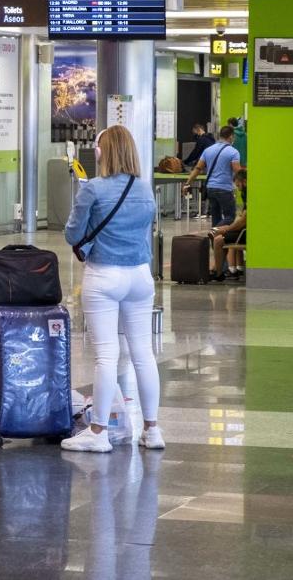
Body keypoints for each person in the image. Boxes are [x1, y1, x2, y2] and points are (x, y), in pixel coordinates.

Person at [61, 124, 164, 453]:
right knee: (143, 354)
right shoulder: (145, 189)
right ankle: (152, 429)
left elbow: (72, 234)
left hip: (104, 276)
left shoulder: (92, 189)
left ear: (104, 152)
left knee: (107, 355)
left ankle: (99, 432)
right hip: (139, 276)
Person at [183, 125, 243, 228]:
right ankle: (214, 232)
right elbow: (238, 172)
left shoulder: (208, 150)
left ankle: (214, 241)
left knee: (216, 217)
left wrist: (187, 183)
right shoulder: (233, 152)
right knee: (230, 217)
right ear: (231, 136)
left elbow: (198, 168)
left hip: (210, 188)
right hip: (224, 189)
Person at [209, 169, 247, 281]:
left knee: (218, 239)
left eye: (239, 185)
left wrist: (227, 229)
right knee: (218, 232)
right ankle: (222, 268)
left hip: (245, 232)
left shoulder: (249, 194)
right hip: (243, 229)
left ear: (244, 181)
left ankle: (218, 272)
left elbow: (244, 221)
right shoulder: (246, 193)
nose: (238, 189)